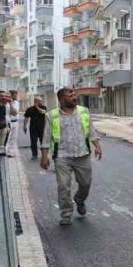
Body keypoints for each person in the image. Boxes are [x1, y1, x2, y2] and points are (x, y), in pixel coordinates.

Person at [40, 87, 103, 226]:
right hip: (62, 156)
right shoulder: (51, 115)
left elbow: (91, 131)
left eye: (75, 94)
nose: (74, 97)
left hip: (83, 154)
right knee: (63, 186)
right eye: (70, 95)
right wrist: (44, 156)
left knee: (85, 184)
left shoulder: (84, 111)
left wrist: (97, 146)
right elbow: (46, 137)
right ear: (61, 99)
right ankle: (66, 214)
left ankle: (79, 199)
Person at [5, 90, 21, 157]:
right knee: (8, 138)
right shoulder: (6, 103)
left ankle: (10, 152)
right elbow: (13, 113)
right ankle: (6, 151)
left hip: (16, 122)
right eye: (15, 95)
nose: (16, 96)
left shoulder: (16, 102)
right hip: (10, 122)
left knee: (13, 138)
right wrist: (10, 103)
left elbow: (16, 112)